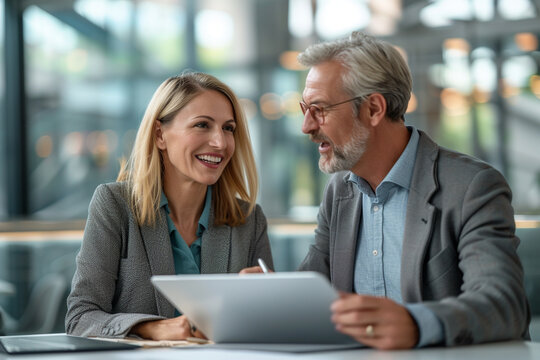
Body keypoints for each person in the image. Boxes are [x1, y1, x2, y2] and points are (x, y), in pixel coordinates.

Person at [296, 32, 530, 350]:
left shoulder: (472, 187)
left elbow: (503, 305)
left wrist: (416, 325)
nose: (306, 126)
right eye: (304, 109)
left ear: (374, 109)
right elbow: (312, 290)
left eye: (319, 109)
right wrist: (268, 297)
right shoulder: (340, 191)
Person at [65, 72, 273, 340]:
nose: (220, 142)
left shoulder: (249, 219)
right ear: (160, 134)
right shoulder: (114, 205)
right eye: (202, 125)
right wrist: (153, 327)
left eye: (228, 128)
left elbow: (269, 327)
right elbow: (80, 317)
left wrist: (261, 304)